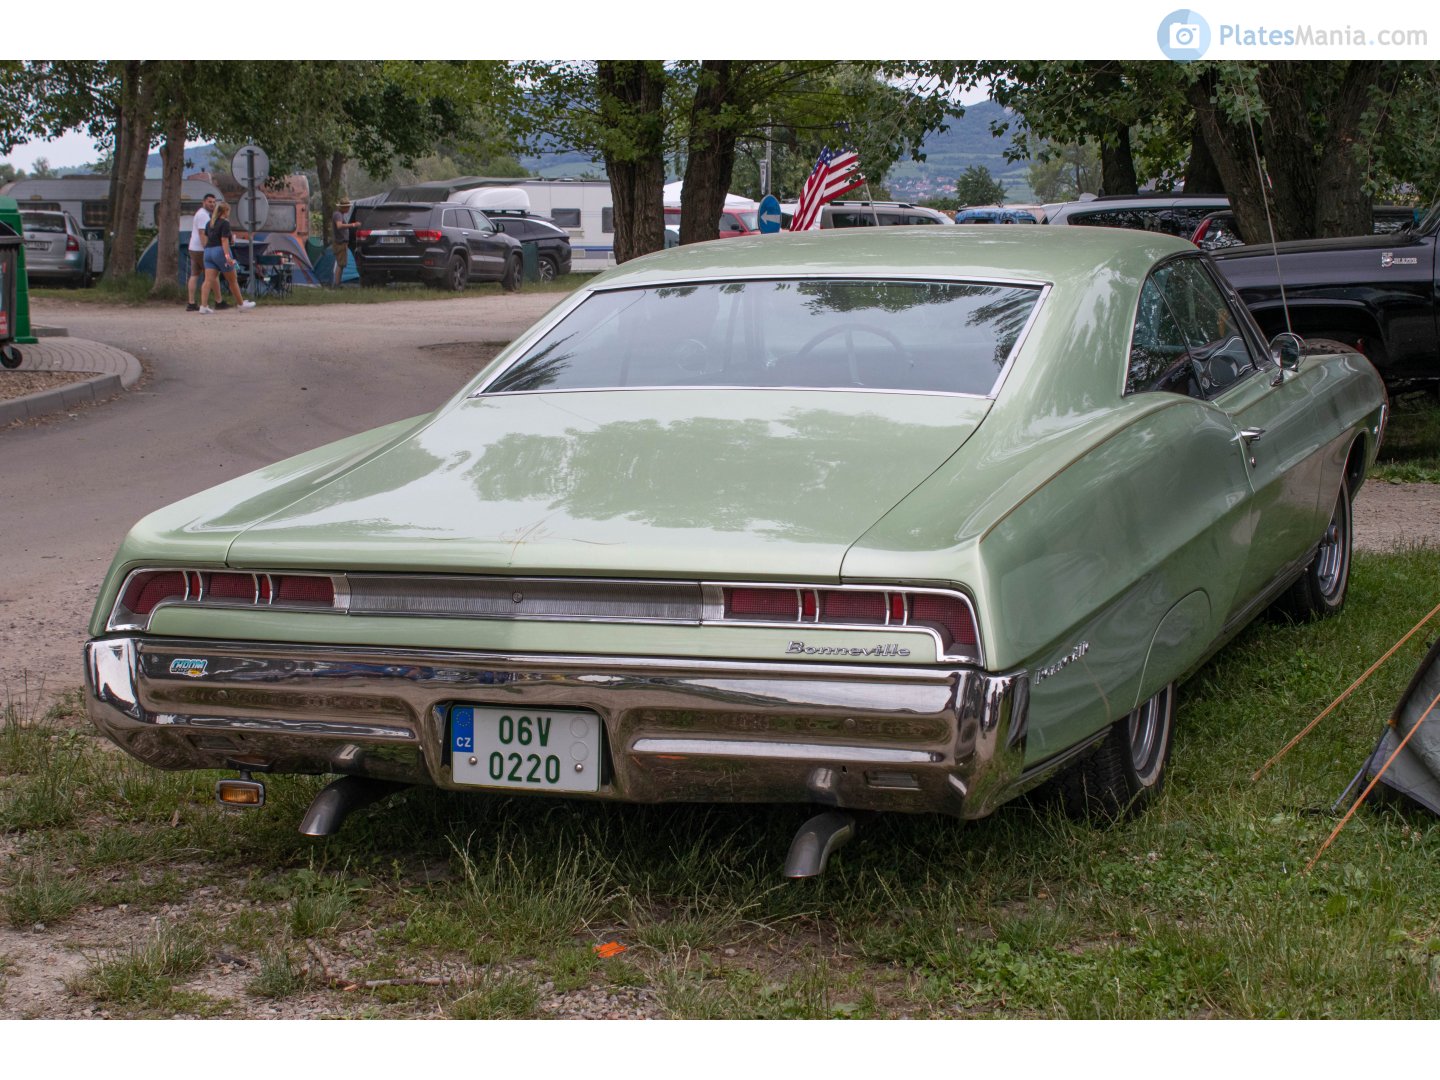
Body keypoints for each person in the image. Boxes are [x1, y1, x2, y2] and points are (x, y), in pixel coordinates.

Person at [198, 201, 256, 314]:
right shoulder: (225, 223)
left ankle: (203, 306)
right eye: (228, 211)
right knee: (232, 279)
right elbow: (224, 240)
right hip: (220, 251)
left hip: (208, 251)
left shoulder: (209, 223)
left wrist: (207, 249)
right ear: (225, 211)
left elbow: (205, 238)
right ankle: (241, 304)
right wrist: (227, 256)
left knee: (208, 280)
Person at [186, 192, 217, 312]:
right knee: (212, 274)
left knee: (194, 274)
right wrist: (207, 247)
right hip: (200, 249)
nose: (212, 204)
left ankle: (191, 302)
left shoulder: (201, 213)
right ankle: (216, 301)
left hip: (193, 247)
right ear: (203, 202)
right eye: (209, 202)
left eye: (214, 202)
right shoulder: (203, 215)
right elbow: (202, 233)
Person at [332, 197, 359, 287]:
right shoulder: (338, 215)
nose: (348, 209)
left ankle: (337, 283)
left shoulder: (340, 214)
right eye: (347, 207)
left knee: (341, 264)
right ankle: (336, 284)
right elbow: (339, 226)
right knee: (340, 264)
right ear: (343, 207)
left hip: (342, 243)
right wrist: (353, 225)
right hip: (340, 243)